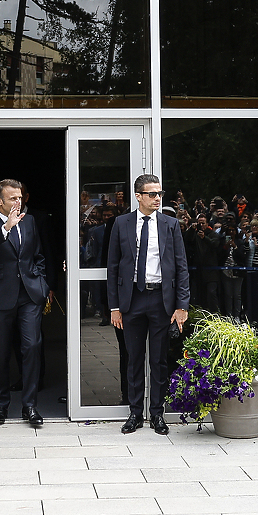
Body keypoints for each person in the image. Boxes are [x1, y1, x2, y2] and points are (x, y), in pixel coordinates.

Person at [107, 174, 190, 436]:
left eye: (160, 194)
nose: (157, 198)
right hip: (131, 299)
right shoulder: (121, 223)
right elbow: (113, 267)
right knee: (133, 358)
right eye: (152, 194)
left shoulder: (170, 224)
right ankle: (134, 413)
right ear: (138, 196)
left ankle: (157, 414)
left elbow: (181, 267)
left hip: (160, 300)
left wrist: (182, 305)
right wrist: (113, 306)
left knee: (159, 359)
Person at [0, 179, 49, 427]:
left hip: (29, 294)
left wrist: (42, 284)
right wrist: (6, 227)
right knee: (0, 353)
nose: (19, 202)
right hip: (0, 295)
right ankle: (1, 406)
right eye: (13, 198)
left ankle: (30, 406)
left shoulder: (29, 221)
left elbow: (38, 255)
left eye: (20, 197)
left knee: (31, 347)